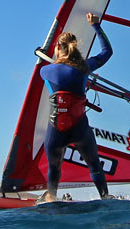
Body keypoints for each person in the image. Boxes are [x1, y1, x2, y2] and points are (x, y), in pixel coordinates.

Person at [38, 12, 113, 202]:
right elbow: (107, 52)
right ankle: (105, 197)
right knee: (94, 165)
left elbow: (51, 69)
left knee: (54, 168)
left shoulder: (45, 70)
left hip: (56, 130)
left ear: (57, 49)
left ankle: (52, 199)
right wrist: (95, 25)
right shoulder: (84, 68)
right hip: (80, 129)